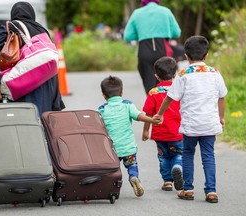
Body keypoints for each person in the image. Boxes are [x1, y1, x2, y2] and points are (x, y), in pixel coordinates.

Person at [155, 36, 228, 203]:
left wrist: (160, 113)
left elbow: (170, 97)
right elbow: (222, 97)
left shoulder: (183, 74)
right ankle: (211, 191)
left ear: (186, 56)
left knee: (188, 154)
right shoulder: (214, 73)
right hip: (209, 123)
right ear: (206, 55)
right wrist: (221, 117)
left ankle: (187, 189)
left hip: (190, 125)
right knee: (208, 156)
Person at [0, 1, 65, 116]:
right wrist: (56, 101)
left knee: (21, 126)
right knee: (42, 125)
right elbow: (50, 64)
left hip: (22, 87)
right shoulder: (43, 31)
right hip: (45, 90)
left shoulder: (9, 27)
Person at [98, 75, 160, 197]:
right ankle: (134, 177)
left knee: (113, 169)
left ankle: (114, 186)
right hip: (128, 148)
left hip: (111, 149)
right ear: (122, 92)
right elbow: (138, 116)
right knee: (132, 164)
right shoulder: (127, 105)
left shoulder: (102, 109)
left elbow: (96, 126)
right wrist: (152, 120)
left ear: (104, 95)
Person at [142, 56, 183, 192]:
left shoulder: (153, 92)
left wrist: (146, 131)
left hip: (160, 133)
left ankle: (167, 182)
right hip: (178, 132)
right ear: (175, 75)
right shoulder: (180, 91)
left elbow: (148, 114)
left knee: (163, 156)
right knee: (178, 154)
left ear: (156, 76)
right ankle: (177, 166)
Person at [123, 0, 181, 94]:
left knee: (149, 83)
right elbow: (177, 32)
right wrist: (166, 33)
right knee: (165, 81)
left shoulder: (137, 13)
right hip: (162, 48)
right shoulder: (165, 11)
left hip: (144, 49)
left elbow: (127, 36)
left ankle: (152, 105)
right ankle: (165, 105)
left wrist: (141, 34)